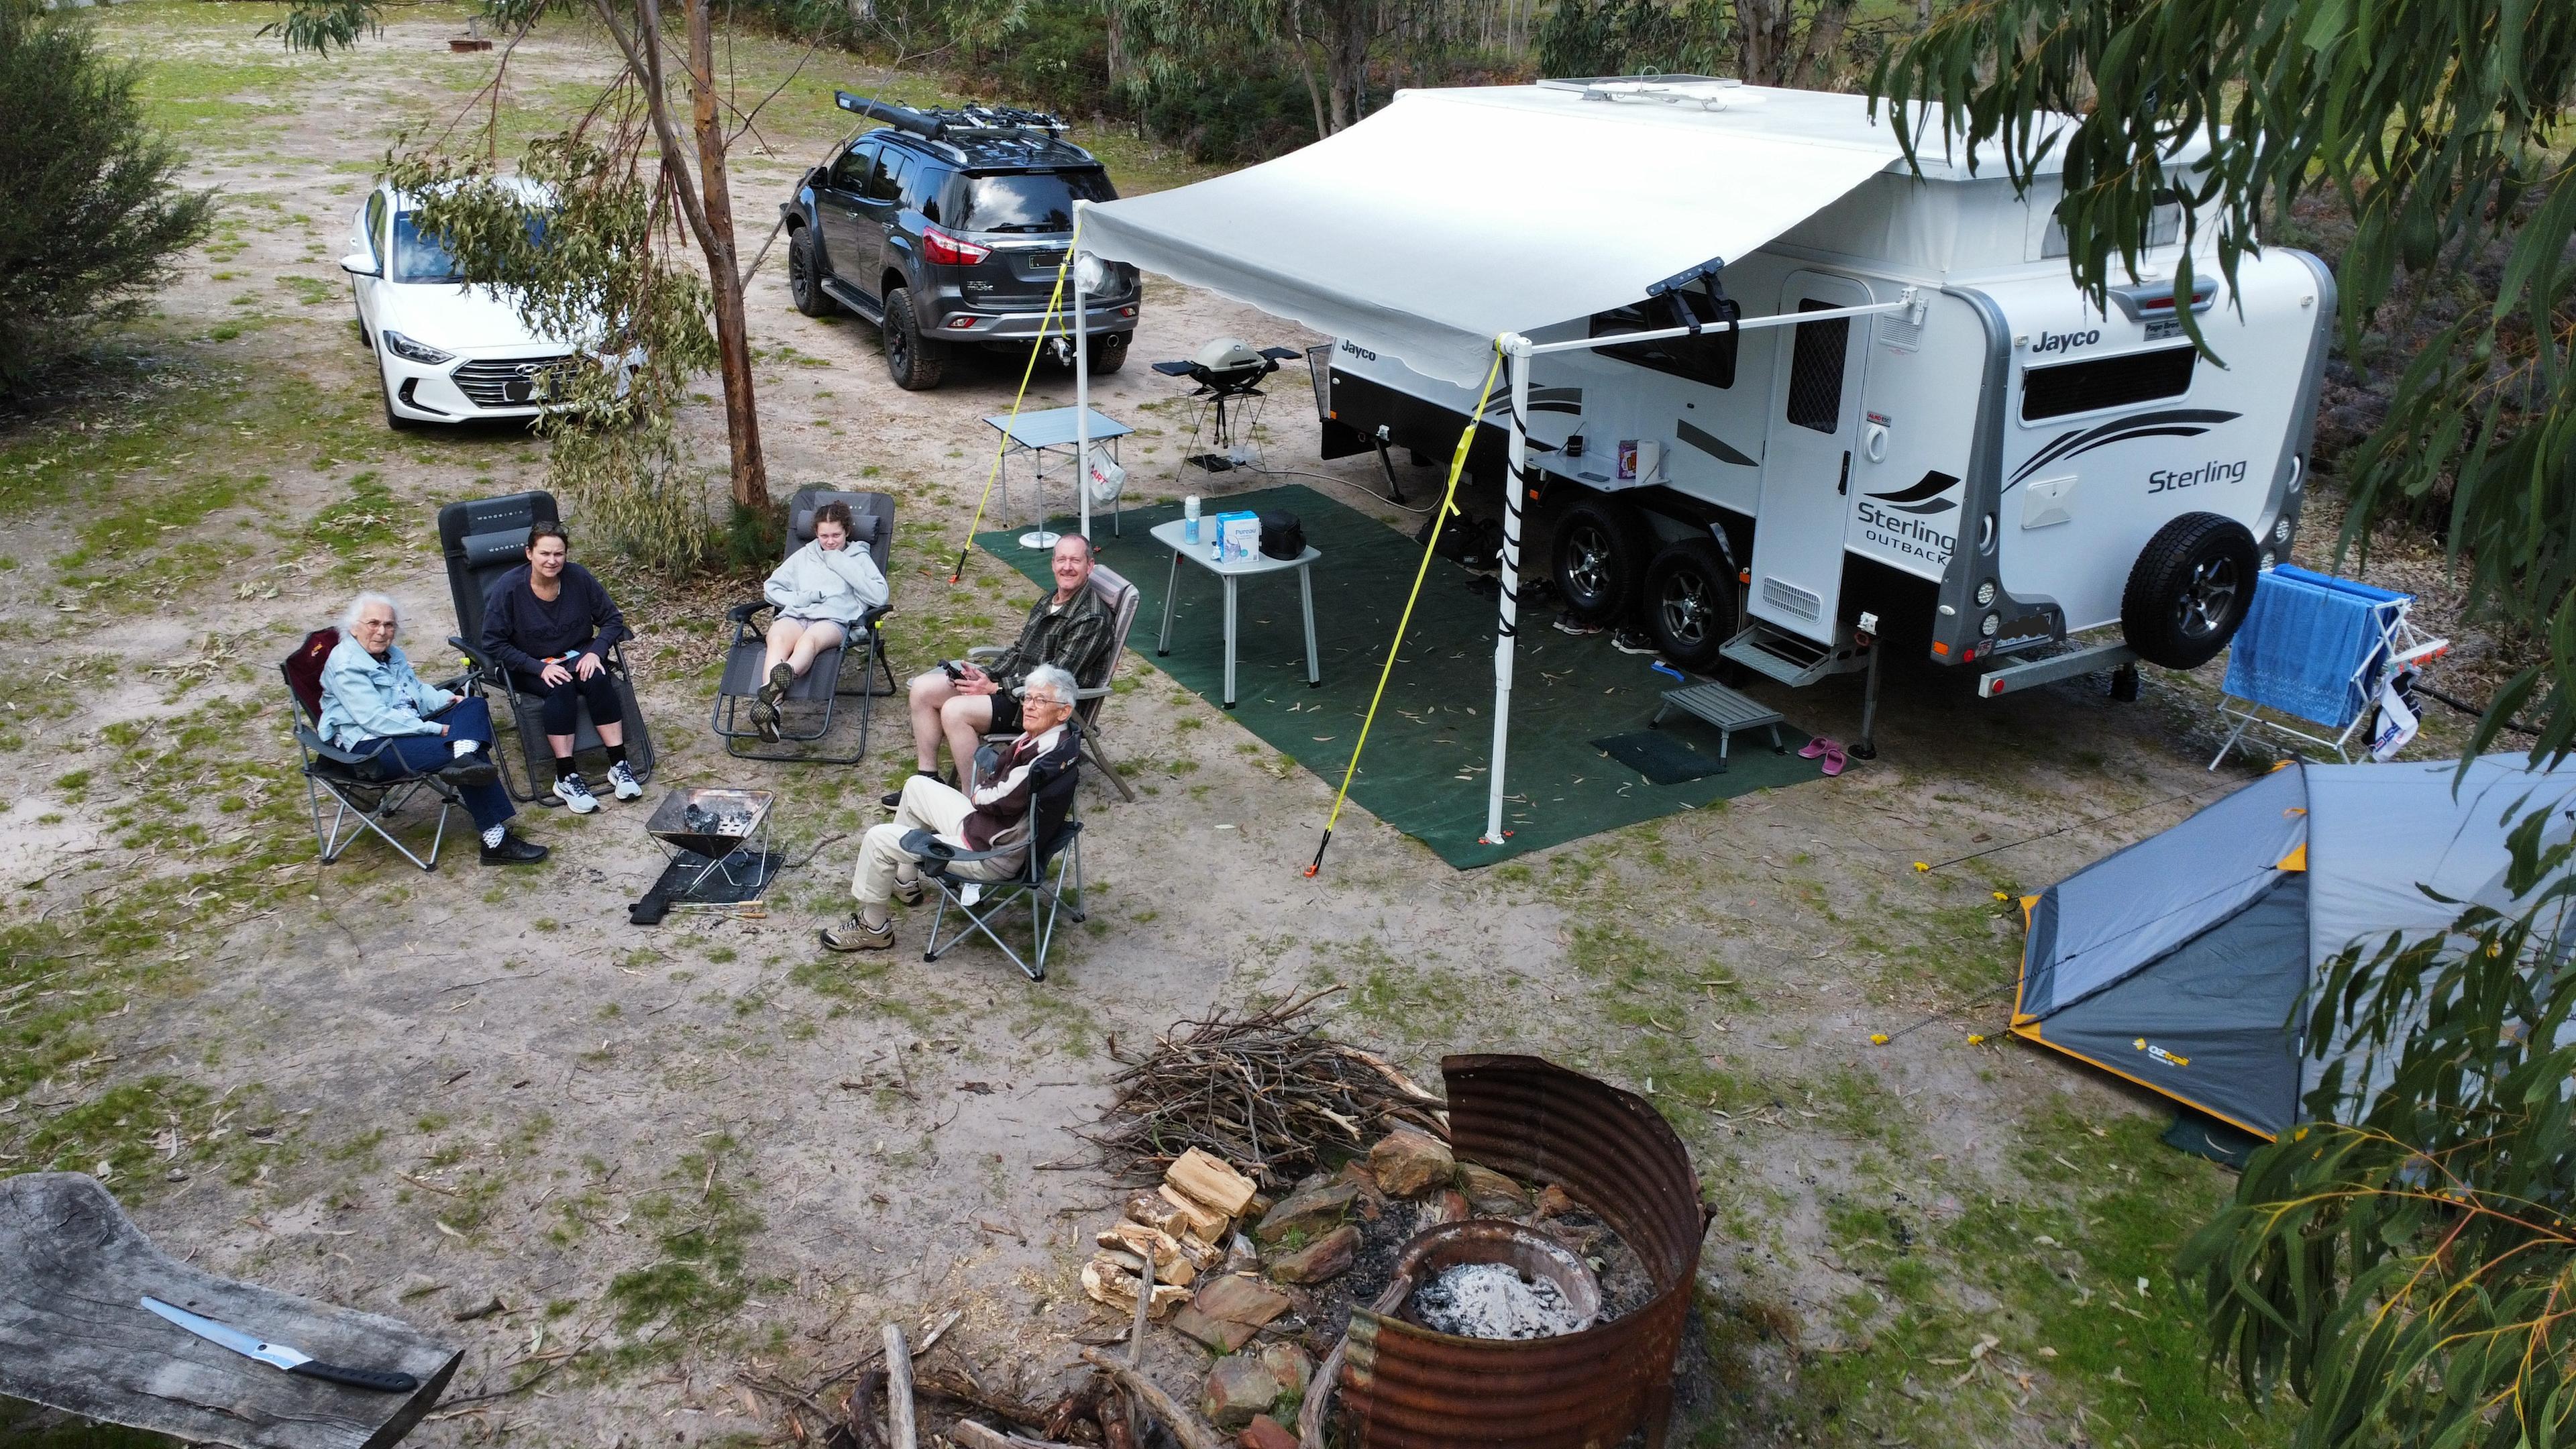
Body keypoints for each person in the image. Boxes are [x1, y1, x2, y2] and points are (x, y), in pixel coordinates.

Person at [826, 665, 1081, 952]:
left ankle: (873, 928)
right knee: (916, 787)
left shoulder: (1042, 761)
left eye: (1041, 701)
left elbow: (989, 798)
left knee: (878, 839)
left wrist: (982, 789)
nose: (1030, 707)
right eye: (1028, 698)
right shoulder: (1058, 739)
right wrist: (989, 785)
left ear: (1064, 711)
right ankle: (905, 881)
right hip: (992, 831)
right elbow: (998, 785)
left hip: (990, 854)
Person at [318, 592, 547, 865]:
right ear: (354, 627)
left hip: (407, 728)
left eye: (389, 625)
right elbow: (375, 719)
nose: (382, 631)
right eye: (373, 623)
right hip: (372, 748)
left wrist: (448, 700)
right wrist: (434, 729)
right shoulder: (346, 666)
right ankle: (494, 840)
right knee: (460, 752)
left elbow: (415, 692)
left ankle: (466, 756)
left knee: (472, 705)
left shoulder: (392, 655)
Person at [887, 532, 1111, 806]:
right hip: (1014, 688)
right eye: (1061, 559)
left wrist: (996, 687)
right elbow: (1020, 650)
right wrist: (988, 676)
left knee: (955, 711)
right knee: (923, 689)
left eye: (1075, 561)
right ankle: (928, 779)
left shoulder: (1091, 617)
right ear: (1052, 563)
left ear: (1089, 566)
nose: (1067, 567)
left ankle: (979, 801)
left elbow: (1055, 680)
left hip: (1040, 706)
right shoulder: (1051, 599)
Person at [478, 521, 640, 814]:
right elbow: (492, 642)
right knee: (560, 685)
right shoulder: (509, 588)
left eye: (559, 554)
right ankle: (565, 775)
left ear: (566, 555)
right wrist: (537, 668)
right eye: (544, 553)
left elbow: (613, 619)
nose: (552, 561)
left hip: (576, 655)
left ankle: (619, 764)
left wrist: (596, 652)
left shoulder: (578, 578)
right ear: (529, 553)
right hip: (527, 665)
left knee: (599, 676)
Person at [752, 499, 889, 743]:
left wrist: (842, 564)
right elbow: (771, 589)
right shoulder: (805, 555)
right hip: (798, 613)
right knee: (777, 637)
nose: (830, 541)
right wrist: (801, 598)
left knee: (810, 641)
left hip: (833, 619)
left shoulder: (858, 557)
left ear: (847, 531)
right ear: (815, 533)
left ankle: (778, 687)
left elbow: (879, 596)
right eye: (824, 535)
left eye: (836, 535)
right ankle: (772, 709)